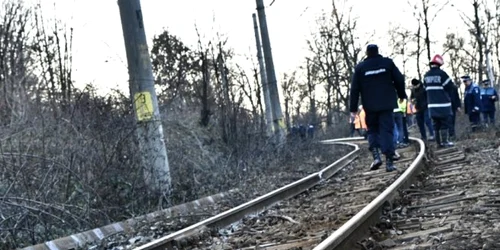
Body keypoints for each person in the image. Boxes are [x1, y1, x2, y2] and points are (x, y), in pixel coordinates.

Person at [350, 44, 406, 172]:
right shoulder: (387, 63)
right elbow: (399, 79)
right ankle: (389, 162)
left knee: (373, 130)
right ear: (377, 51)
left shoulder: (360, 68)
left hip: (370, 105)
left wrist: (353, 109)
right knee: (387, 131)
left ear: (367, 53)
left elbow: (354, 89)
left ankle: (376, 157)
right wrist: (402, 95)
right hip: (387, 104)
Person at [422, 54, 455, 148]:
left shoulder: (426, 75)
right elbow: (450, 86)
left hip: (431, 106)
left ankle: (438, 143)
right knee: (444, 123)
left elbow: (424, 90)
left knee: (436, 124)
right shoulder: (442, 74)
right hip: (443, 105)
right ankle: (445, 141)